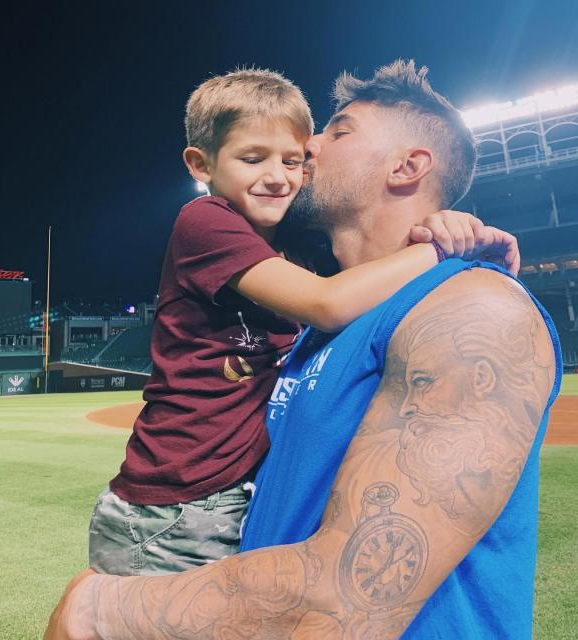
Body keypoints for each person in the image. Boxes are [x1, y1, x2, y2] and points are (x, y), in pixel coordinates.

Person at [45, 60, 559, 640]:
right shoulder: (320, 321)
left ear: (408, 166)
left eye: (338, 131)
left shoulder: (473, 311)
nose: (307, 146)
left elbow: (348, 594)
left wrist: (99, 611)